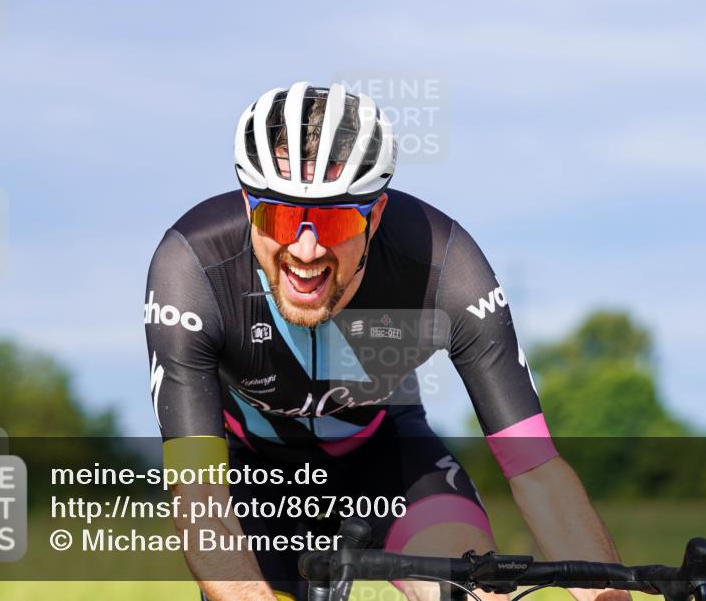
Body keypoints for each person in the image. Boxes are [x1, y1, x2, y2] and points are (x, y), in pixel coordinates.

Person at [145, 82, 629, 601]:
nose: (305, 250)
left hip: (387, 459)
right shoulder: (193, 269)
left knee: (472, 595)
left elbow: (535, 467)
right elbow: (199, 495)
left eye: (332, 219)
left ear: (374, 214)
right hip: (251, 478)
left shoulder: (443, 266)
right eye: (280, 215)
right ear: (247, 205)